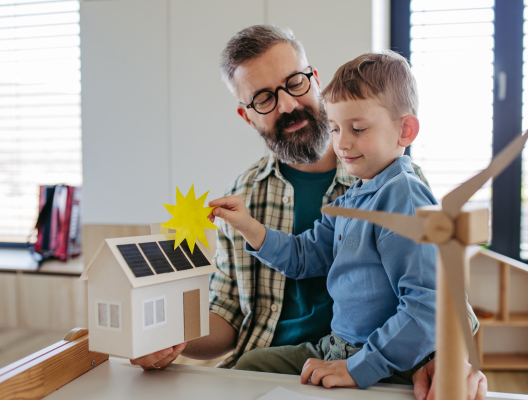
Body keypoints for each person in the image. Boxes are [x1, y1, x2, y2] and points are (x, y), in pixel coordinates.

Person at [130, 25, 487, 399]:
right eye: (264, 98)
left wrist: (450, 359)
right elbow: (236, 303)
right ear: (247, 116)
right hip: (292, 362)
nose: (286, 105)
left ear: (315, 80)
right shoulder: (245, 194)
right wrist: (171, 335)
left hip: (368, 366)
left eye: (294, 83)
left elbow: (439, 301)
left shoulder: (396, 182)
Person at [207, 51, 437, 389]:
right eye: (335, 129)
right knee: (250, 364)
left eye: (357, 129)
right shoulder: (355, 196)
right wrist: (247, 225)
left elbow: (430, 303)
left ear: (405, 130)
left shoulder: (405, 196)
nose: (342, 143)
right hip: (335, 347)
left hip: (378, 359)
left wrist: (361, 366)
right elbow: (302, 256)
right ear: (247, 116)